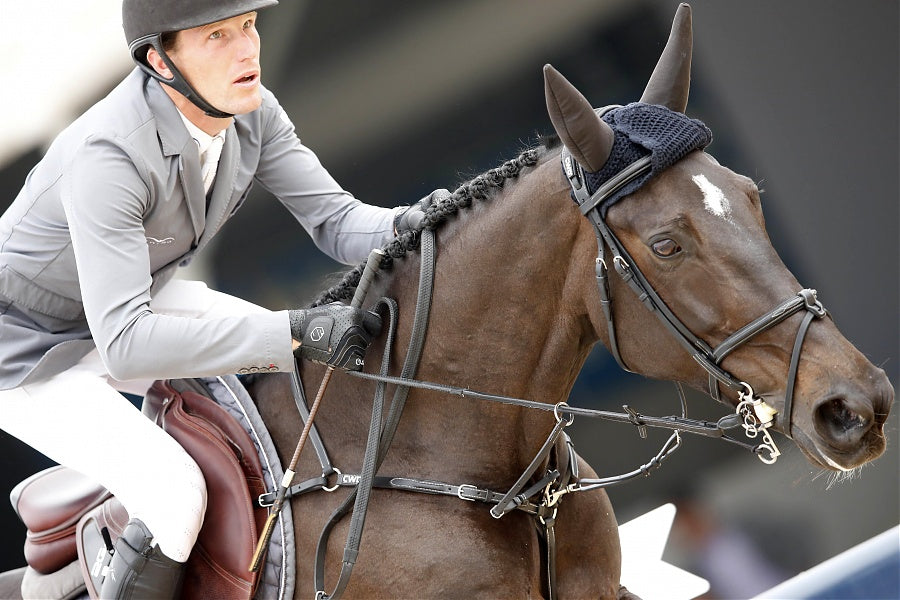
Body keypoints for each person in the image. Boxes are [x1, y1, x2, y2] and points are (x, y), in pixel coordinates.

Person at [0, 1, 425, 597]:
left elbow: (335, 221)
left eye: (248, 25)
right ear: (158, 59)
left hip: (117, 309)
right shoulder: (110, 154)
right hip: (23, 350)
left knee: (288, 373)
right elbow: (126, 348)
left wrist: (416, 223)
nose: (247, 48)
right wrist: (296, 331)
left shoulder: (249, 113)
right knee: (175, 493)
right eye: (217, 35)